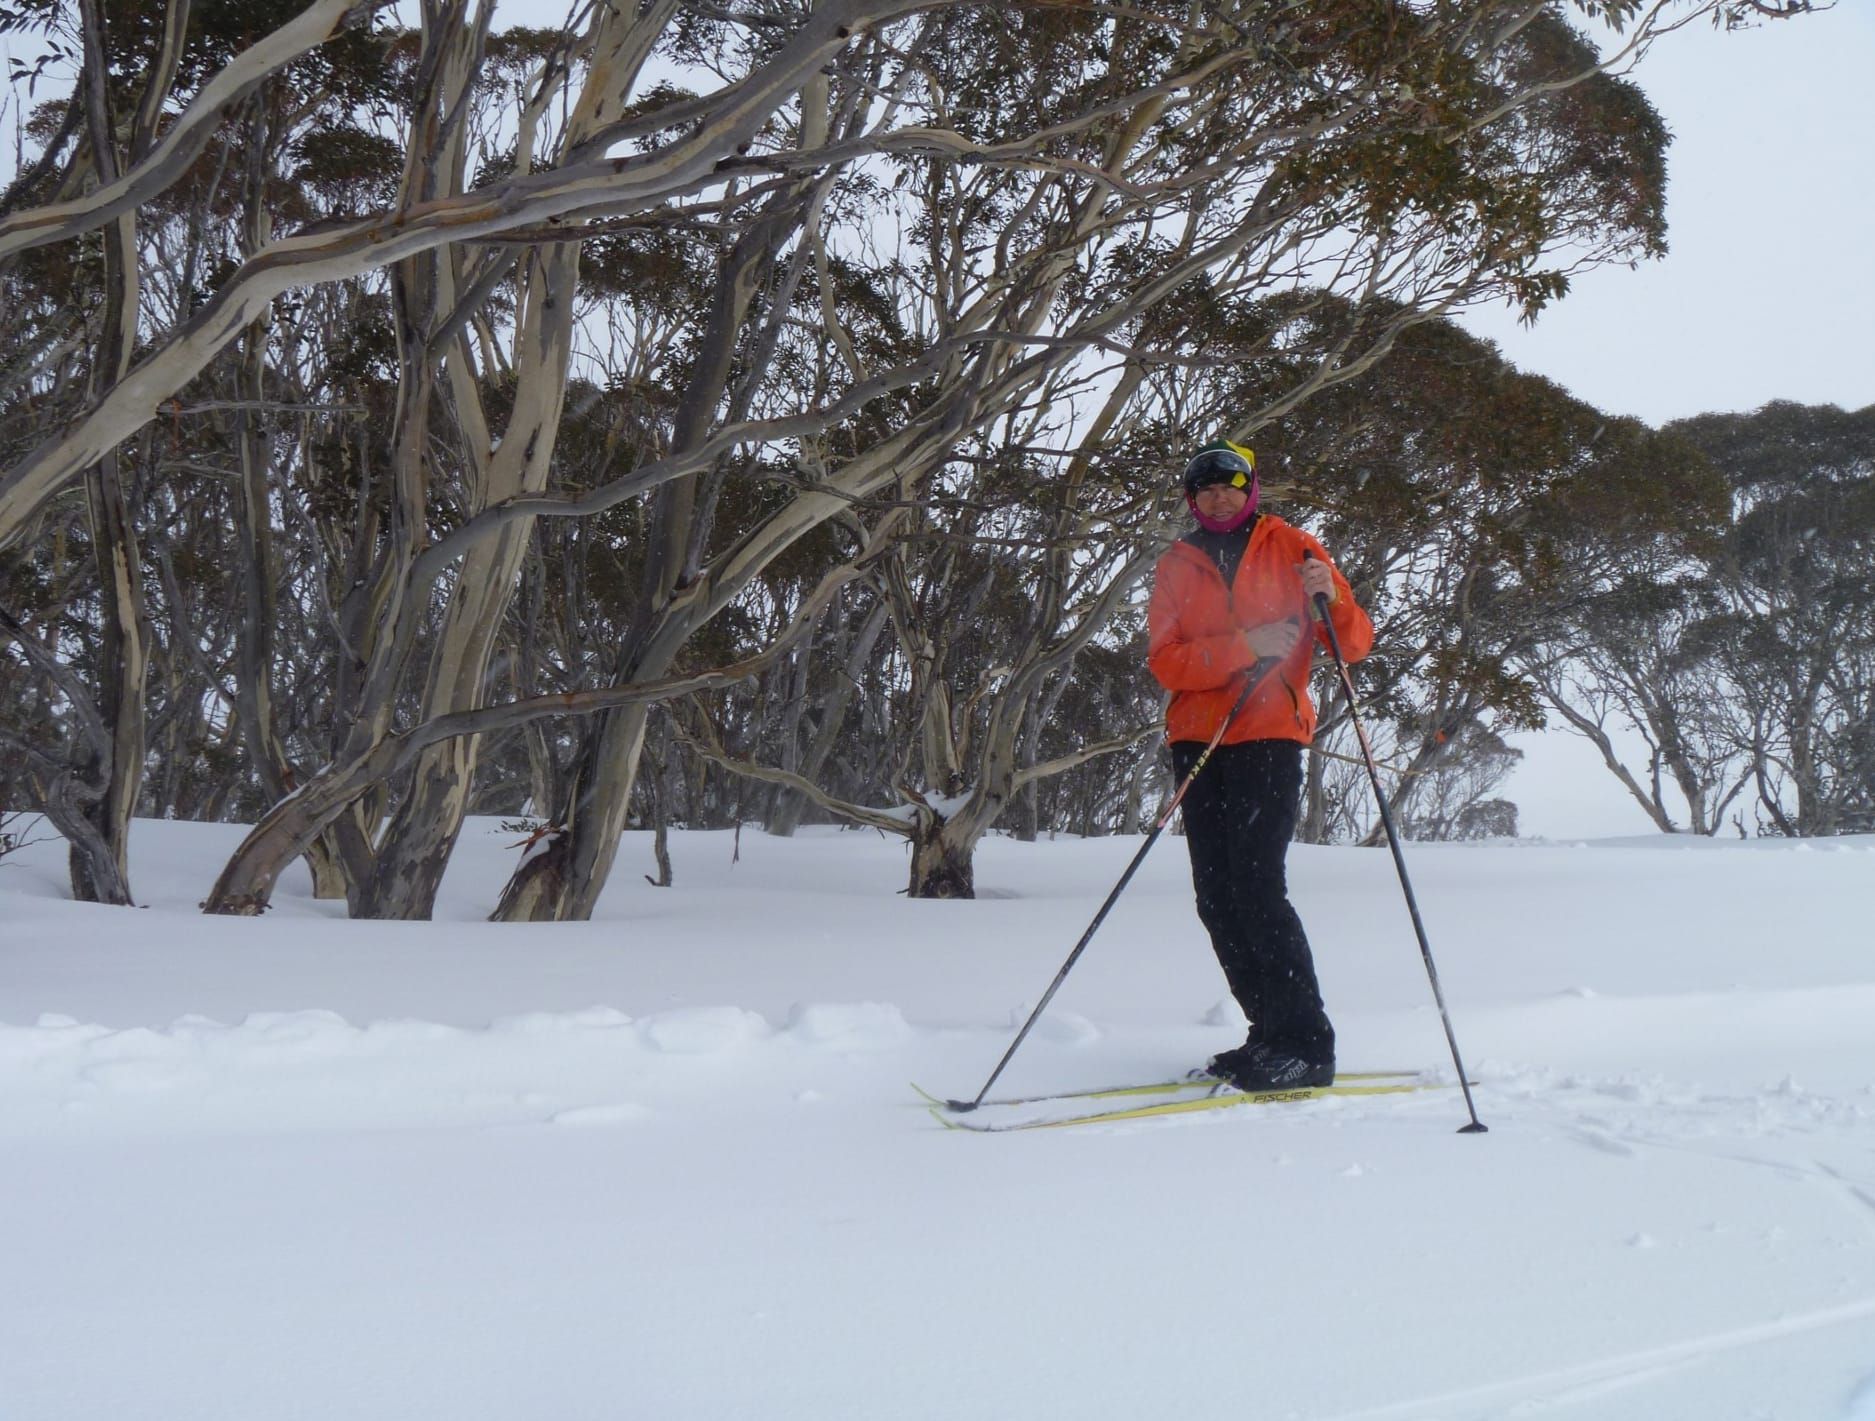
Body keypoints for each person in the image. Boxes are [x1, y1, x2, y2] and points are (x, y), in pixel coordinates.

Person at [1146, 439, 1374, 1091]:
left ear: (1250, 490)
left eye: (1231, 486)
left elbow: (1352, 644)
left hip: (1268, 736)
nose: (1219, 498)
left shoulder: (1293, 546)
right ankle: (1268, 1033)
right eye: (1206, 489)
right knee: (1216, 896)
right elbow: (1165, 661)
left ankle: (1306, 1044)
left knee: (1256, 887)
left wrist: (1332, 597)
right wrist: (1243, 645)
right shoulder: (1176, 564)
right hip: (1198, 742)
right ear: (1192, 499)